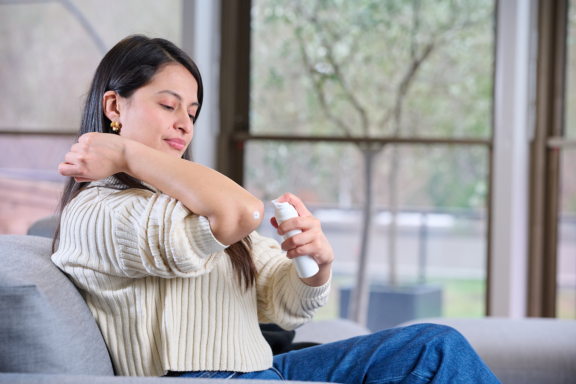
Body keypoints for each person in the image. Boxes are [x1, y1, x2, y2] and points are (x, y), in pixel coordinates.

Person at [51, 35, 500, 383]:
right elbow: (241, 213)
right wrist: (126, 155)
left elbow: (284, 305)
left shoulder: (185, 199)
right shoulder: (94, 212)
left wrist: (315, 265)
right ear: (114, 105)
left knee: (433, 348)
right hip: (202, 379)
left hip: (262, 369)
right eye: (168, 105)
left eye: (192, 111)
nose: (184, 123)